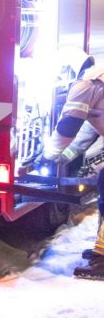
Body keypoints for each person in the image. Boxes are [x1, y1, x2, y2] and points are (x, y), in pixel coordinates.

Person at [41, 62, 104, 279]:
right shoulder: (97, 83)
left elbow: (69, 124)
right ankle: (101, 252)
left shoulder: (87, 84)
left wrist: (48, 155)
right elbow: (88, 129)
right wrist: (63, 156)